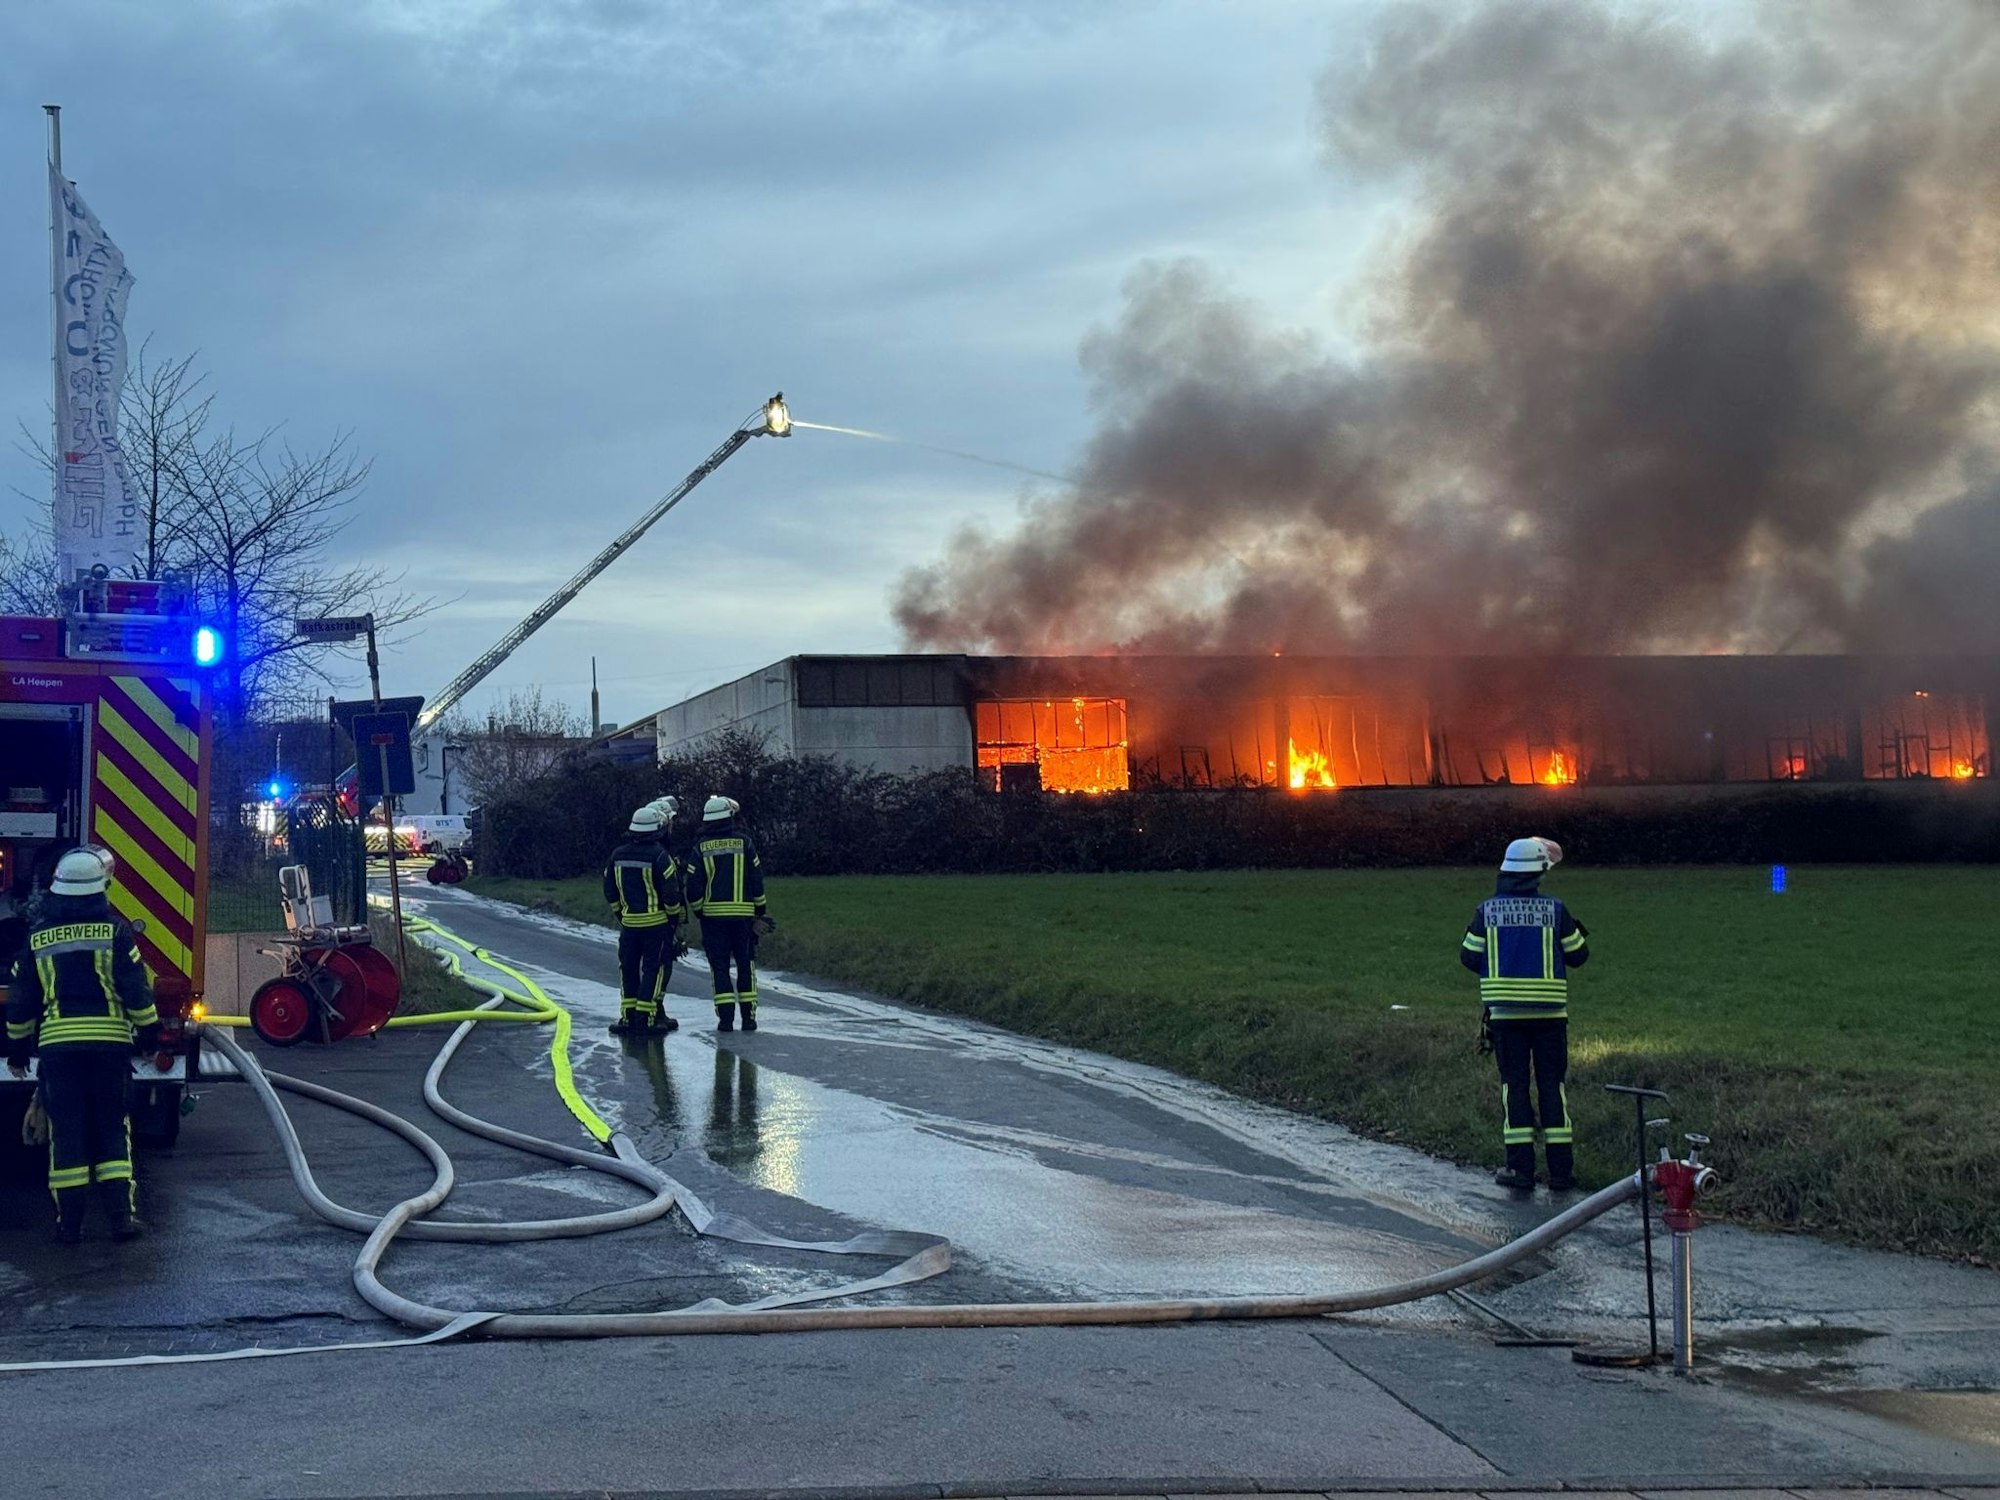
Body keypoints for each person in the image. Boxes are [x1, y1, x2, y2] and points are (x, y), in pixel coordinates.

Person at [5, 848, 160, 1244]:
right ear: (100, 890)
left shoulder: (37, 936)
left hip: (59, 1052)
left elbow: (23, 999)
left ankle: (69, 1226)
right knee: (112, 1129)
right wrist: (149, 1035)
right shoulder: (116, 932)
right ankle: (121, 1220)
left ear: (57, 890)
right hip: (109, 1050)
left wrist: (19, 1049)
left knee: (66, 1134)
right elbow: (136, 992)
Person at [1458, 836, 1590, 1192]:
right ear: (1537, 872)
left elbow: (1469, 957)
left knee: (1513, 1088)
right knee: (1553, 1087)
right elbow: (1579, 955)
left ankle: (1520, 1170)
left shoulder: (1486, 911)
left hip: (1506, 1019)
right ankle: (1561, 1173)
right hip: (1550, 1018)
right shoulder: (1556, 910)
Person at [685, 795, 772, 1032]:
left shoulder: (700, 848)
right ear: (729, 817)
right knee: (746, 965)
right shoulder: (745, 843)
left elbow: (692, 886)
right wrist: (759, 911)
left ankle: (725, 1020)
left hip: (713, 919)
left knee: (720, 967)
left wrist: (700, 910)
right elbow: (756, 878)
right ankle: (749, 1018)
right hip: (744, 918)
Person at [602, 805, 684, 1036]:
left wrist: (622, 915)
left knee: (627, 968)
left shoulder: (617, 855)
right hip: (656, 926)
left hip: (629, 926)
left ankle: (627, 1017)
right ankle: (646, 1018)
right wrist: (673, 919)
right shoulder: (660, 856)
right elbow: (671, 894)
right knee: (653, 969)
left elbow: (609, 890)